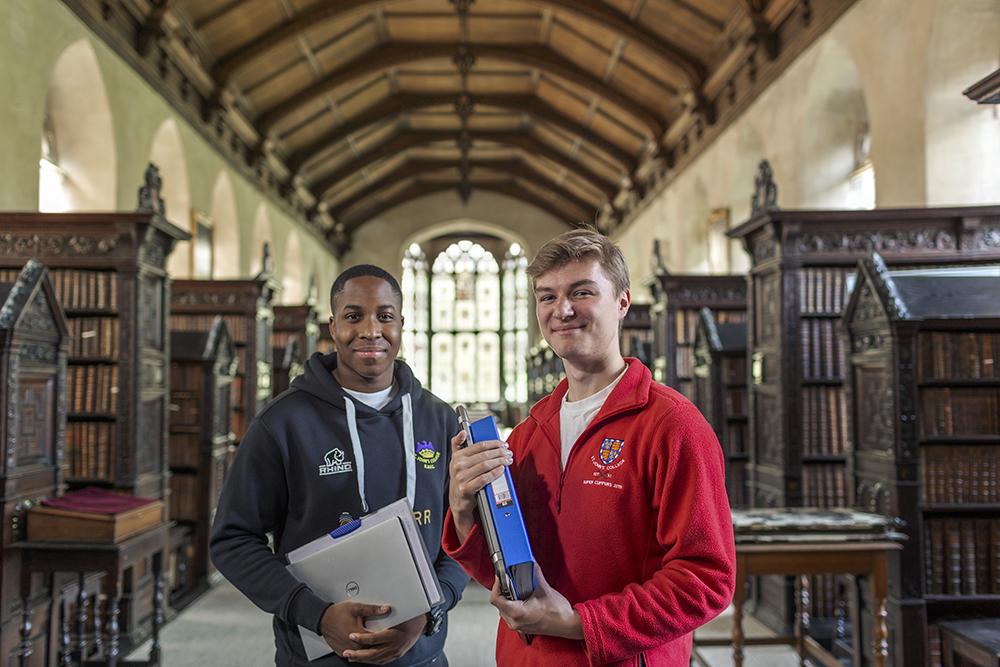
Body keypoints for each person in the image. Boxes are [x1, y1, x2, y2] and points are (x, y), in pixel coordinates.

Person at [442, 229, 736, 666]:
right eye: (547, 297)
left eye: (581, 292)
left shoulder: (673, 426)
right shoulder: (526, 434)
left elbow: (706, 580)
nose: (562, 309)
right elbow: (505, 575)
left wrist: (579, 622)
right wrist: (463, 508)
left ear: (622, 302)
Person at [210, 264, 469, 667]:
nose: (370, 330)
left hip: (421, 655)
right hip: (316, 655)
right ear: (333, 326)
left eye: (385, 316)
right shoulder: (282, 423)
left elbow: (463, 532)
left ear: (401, 324)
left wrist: (432, 608)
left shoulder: (441, 421)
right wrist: (314, 613)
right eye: (353, 317)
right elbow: (232, 539)